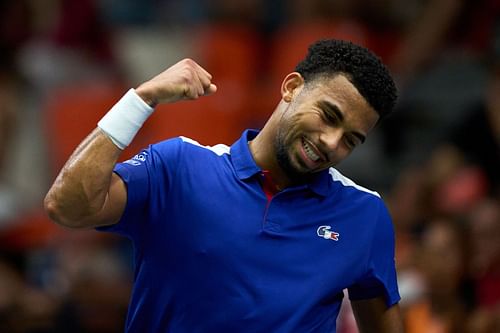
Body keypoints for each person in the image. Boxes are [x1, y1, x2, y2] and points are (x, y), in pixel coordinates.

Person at [44, 39, 404, 332]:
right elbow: (68, 206)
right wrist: (141, 99)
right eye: (328, 116)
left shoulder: (364, 215)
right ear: (292, 87)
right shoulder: (179, 166)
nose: (331, 143)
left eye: (351, 140)